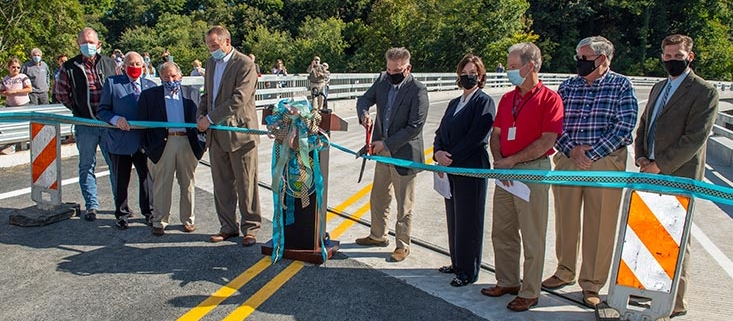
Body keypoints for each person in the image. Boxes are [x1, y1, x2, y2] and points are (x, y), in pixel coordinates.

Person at [542, 36, 638, 308]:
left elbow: (624, 125)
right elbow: (554, 123)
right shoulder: (568, 86)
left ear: (602, 59)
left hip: (605, 161)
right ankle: (565, 270)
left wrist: (592, 153)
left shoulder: (621, 85)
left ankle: (592, 282)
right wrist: (572, 150)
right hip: (568, 159)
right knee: (566, 218)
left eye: (584, 59)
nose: (579, 63)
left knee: (600, 223)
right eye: (578, 57)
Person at [634, 34, 718, 319]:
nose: (672, 61)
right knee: (651, 236)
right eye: (667, 56)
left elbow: (695, 138)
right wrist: (642, 156)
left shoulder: (704, 92)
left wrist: (661, 165)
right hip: (650, 171)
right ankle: (653, 292)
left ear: (690, 56)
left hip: (678, 174)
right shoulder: (659, 87)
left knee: (676, 239)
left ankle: (675, 302)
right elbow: (645, 124)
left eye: (678, 56)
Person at [482, 43, 563, 312]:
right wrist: (499, 160)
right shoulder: (507, 99)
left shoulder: (550, 99)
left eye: (514, 67)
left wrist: (512, 161)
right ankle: (507, 280)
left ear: (531, 66)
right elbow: (496, 134)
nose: (509, 71)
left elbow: (547, 140)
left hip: (532, 170)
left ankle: (530, 290)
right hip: (505, 171)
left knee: (532, 234)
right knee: (502, 230)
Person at [354, 47, 430, 262]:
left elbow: (415, 126)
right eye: (388, 69)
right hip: (382, 153)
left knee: (404, 204)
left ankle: (402, 245)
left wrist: (386, 144)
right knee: (379, 197)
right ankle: (377, 235)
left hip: (404, 155)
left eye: (396, 70)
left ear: (408, 68)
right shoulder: (382, 81)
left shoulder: (418, 90)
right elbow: (363, 100)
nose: (391, 73)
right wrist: (364, 114)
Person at [196, 25, 262, 246]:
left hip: (241, 134)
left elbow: (239, 99)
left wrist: (210, 119)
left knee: (246, 184)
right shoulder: (211, 64)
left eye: (214, 45)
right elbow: (208, 94)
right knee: (222, 185)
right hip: (217, 136)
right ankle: (228, 227)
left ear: (227, 42)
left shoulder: (245, 64)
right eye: (209, 46)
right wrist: (200, 115)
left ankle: (250, 227)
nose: (212, 50)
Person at [433, 54, 494, 286]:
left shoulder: (484, 102)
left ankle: (469, 271)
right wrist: (438, 153)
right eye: (465, 72)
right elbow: (440, 132)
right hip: (450, 168)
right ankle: (457, 262)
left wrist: (453, 157)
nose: (468, 76)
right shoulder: (454, 103)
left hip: (471, 168)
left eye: (473, 73)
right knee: (454, 217)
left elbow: (477, 137)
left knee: (469, 219)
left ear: (480, 76)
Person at [55, 27, 120, 221]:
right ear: (78, 44)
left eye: (91, 42)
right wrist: (78, 109)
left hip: (109, 125)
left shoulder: (111, 64)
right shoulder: (69, 67)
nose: (88, 46)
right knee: (86, 166)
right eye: (84, 42)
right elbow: (61, 94)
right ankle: (91, 205)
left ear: (98, 44)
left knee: (115, 166)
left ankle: (120, 205)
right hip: (85, 125)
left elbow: (118, 90)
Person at [138, 62, 206, 236]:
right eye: (166, 77)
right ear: (160, 78)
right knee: (162, 185)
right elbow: (141, 124)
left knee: (188, 184)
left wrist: (202, 145)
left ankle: (188, 220)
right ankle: (159, 221)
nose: (170, 80)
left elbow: (203, 119)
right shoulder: (149, 96)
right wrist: (147, 148)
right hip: (162, 144)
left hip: (187, 143)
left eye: (173, 76)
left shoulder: (192, 94)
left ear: (180, 76)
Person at [96, 51, 156, 229]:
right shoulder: (112, 84)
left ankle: (149, 212)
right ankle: (122, 214)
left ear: (143, 66)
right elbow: (102, 110)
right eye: (131, 64)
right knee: (121, 179)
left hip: (143, 142)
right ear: (123, 67)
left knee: (146, 179)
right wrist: (116, 120)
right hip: (120, 141)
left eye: (138, 64)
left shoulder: (151, 86)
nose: (135, 68)